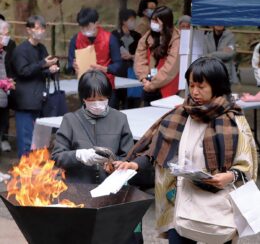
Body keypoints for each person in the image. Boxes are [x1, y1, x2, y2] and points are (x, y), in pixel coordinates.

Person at [108, 57, 258, 244]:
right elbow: (157, 152)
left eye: (201, 86)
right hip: (179, 201)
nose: (194, 92)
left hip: (217, 205)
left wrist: (229, 176)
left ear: (217, 86)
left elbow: (247, 162)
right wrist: (133, 164)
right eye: (191, 85)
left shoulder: (234, 120)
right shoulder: (180, 115)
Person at [52, 70, 143, 244]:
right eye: (91, 100)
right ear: (83, 98)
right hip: (77, 194)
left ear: (108, 96)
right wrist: (79, 155)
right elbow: (57, 157)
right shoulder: (70, 120)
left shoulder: (120, 119)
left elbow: (128, 156)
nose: (97, 104)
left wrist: (116, 165)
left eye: (101, 99)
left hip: (110, 195)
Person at [10, 15, 59, 158]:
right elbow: (23, 71)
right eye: (37, 28)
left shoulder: (42, 48)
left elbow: (41, 70)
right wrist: (43, 64)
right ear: (29, 30)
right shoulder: (21, 50)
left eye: (43, 28)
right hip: (24, 100)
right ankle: (24, 172)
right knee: (26, 140)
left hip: (40, 99)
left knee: (39, 140)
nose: (41, 31)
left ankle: (39, 170)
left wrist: (51, 69)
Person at [67, 7, 122, 108]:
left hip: (106, 87)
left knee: (108, 121)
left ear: (96, 23)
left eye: (87, 27)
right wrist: (73, 66)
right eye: (82, 27)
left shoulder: (110, 39)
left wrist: (104, 69)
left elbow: (118, 65)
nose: (84, 30)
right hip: (85, 89)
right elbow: (69, 65)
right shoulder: (76, 39)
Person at [134, 6, 180, 106]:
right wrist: (143, 78)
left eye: (156, 21)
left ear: (165, 21)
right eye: (152, 20)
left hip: (166, 88)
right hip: (148, 83)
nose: (153, 23)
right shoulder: (148, 36)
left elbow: (170, 67)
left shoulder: (176, 39)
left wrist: (153, 84)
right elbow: (140, 57)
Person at [112, 9, 142, 109]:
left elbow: (142, 54)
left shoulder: (138, 36)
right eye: (131, 19)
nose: (133, 22)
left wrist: (132, 56)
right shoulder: (114, 35)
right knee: (116, 98)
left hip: (132, 71)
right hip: (118, 71)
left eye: (134, 19)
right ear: (124, 21)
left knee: (132, 100)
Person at [0, 19, 16, 152]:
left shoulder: (8, 47)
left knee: (4, 113)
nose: (5, 37)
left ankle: (4, 138)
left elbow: (10, 64)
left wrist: (9, 81)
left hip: (4, 90)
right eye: (2, 34)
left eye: (7, 34)